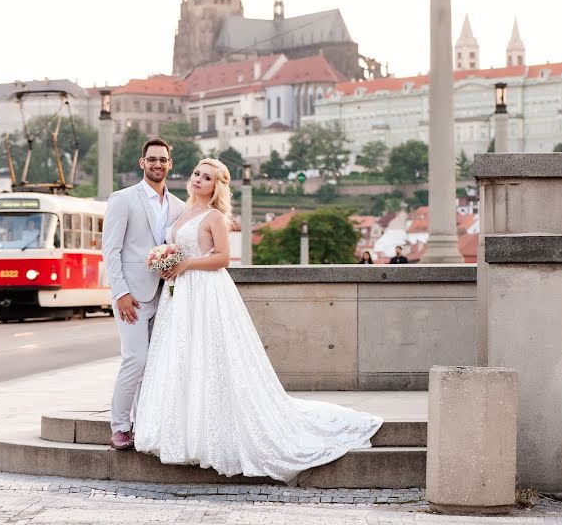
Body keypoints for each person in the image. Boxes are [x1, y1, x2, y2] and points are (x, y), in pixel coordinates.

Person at [134, 159, 382, 483]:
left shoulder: (214, 217)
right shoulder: (183, 214)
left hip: (205, 291)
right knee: (183, 357)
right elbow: (180, 249)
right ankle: (181, 429)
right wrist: (169, 263)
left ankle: (210, 432)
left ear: (215, 186)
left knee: (211, 357)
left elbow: (223, 258)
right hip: (180, 295)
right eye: (196, 173)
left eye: (206, 177)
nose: (198, 179)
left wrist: (185, 265)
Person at [101, 138, 187, 451]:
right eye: (151, 159)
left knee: (155, 365)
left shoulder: (179, 207)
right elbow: (110, 249)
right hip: (131, 297)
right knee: (135, 360)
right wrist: (120, 291)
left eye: (163, 160)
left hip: (165, 296)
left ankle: (145, 424)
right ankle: (120, 427)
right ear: (142, 163)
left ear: (170, 164)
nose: (157, 165)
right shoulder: (122, 199)